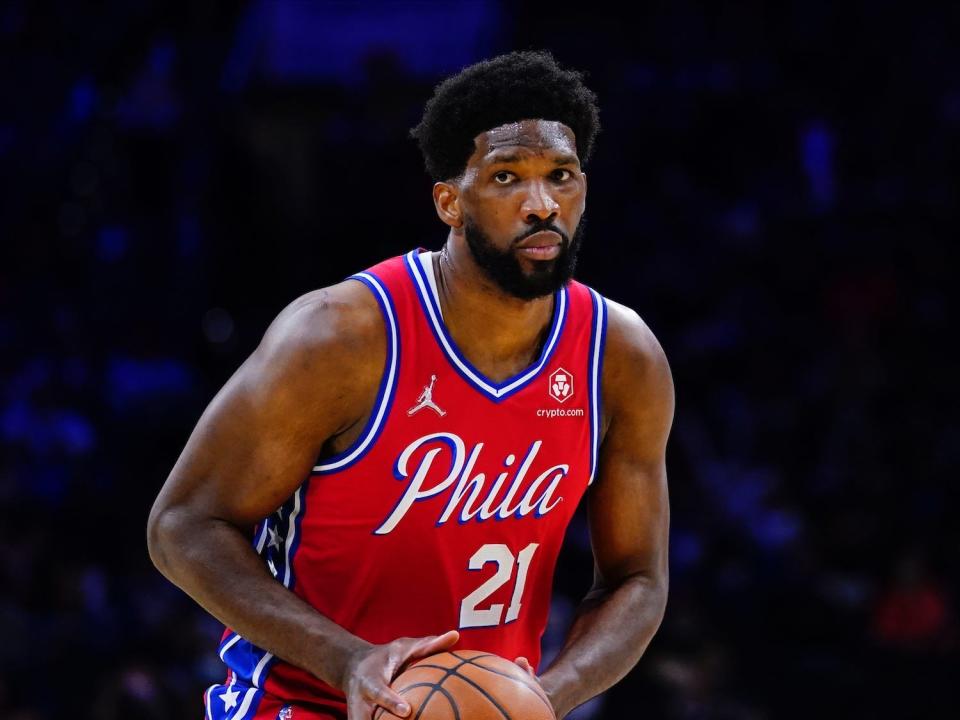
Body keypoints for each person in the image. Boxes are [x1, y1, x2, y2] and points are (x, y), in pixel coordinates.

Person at [147, 49, 674, 720]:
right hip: (303, 704)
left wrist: (544, 697)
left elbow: (638, 579)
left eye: (561, 177)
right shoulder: (339, 338)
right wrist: (346, 659)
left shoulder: (620, 357)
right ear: (450, 202)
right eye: (507, 177)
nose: (542, 204)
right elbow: (181, 526)